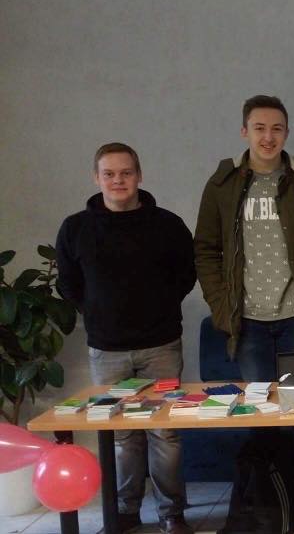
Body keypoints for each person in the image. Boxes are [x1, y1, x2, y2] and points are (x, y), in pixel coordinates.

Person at [194, 95, 294, 534]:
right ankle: (273, 501)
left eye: (276, 128)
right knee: (263, 418)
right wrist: (220, 304)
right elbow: (205, 249)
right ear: (245, 131)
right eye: (259, 128)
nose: (268, 137)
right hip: (249, 326)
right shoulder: (223, 184)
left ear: (286, 133)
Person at [56, 142, 195, 534]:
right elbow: (69, 283)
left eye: (126, 173)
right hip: (107, 350)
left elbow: (186, 274)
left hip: (161, 345)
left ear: (139, 175)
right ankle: (125, 512)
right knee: (120, 435)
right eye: (109, 174)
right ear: (96, 178)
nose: (118, 180)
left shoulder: (167, 224)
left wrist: (159, 307)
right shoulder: (75, 228)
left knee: (165, 432)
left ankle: (172, 514)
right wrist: (97, 312)